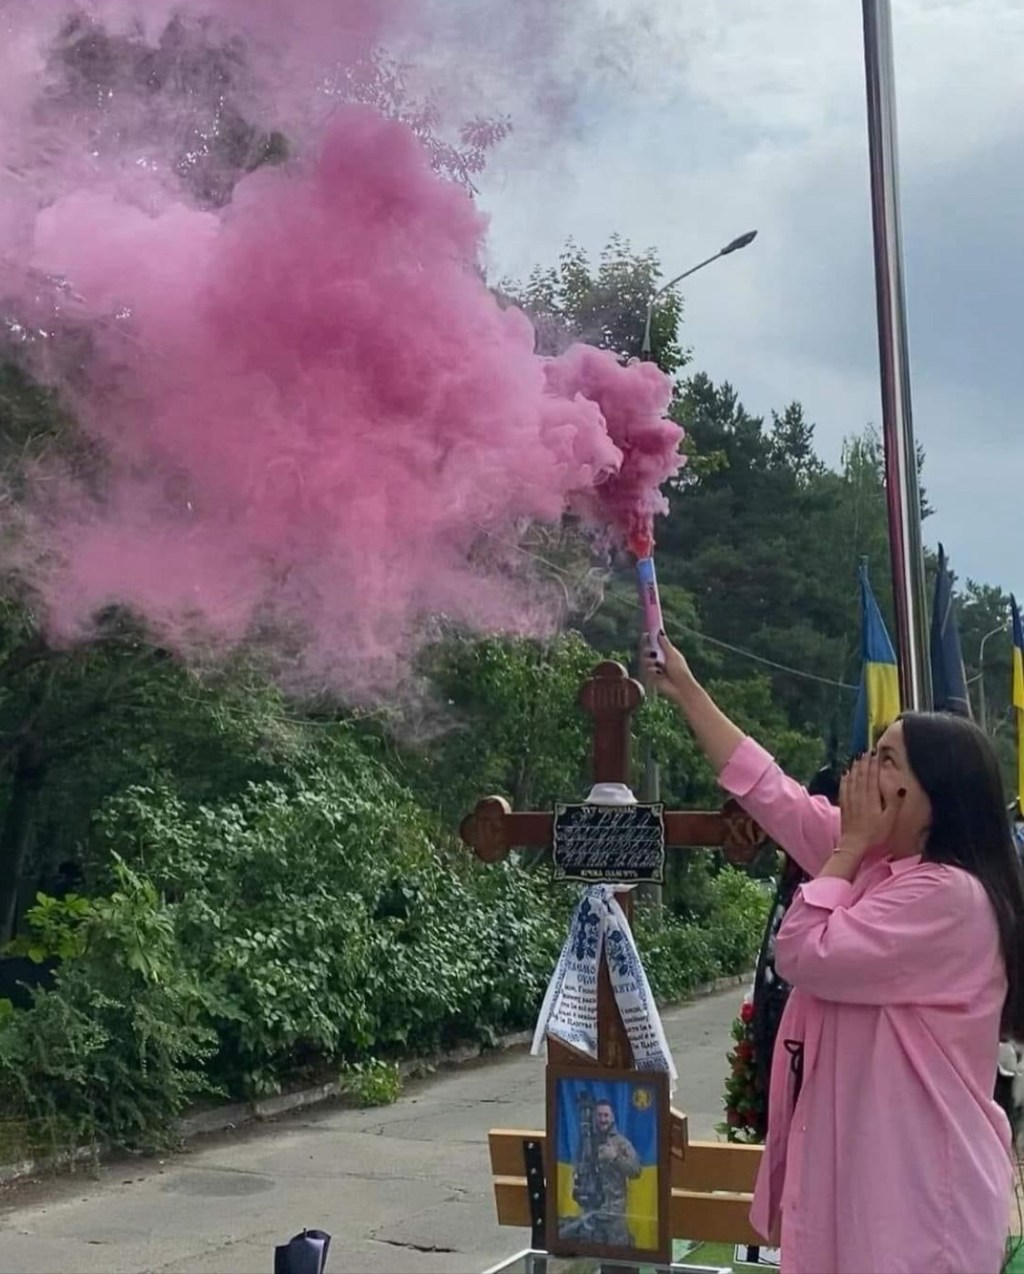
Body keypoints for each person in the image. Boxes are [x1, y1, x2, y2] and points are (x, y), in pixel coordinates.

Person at [646, 634, 1024, 1274]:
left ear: (934, 795)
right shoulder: (884, 863)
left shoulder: (947, 896)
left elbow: (804, 952)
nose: (862, 770)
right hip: (862, 1183)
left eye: (886, 759)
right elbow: (775, 796)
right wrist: (687, 689)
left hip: (920, 1198)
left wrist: (846, 850)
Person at [561, 1097, 642, 1248]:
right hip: (591, 1214)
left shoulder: (621, 1143)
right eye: (599, 1115)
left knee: (620, 1261)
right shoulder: (585, 1143)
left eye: (606, 1115)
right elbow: (577, 1169)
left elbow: (636, 1171)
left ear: (612, 1117)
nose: (602, 1119)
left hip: (614, 1216)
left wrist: (615, 1158)